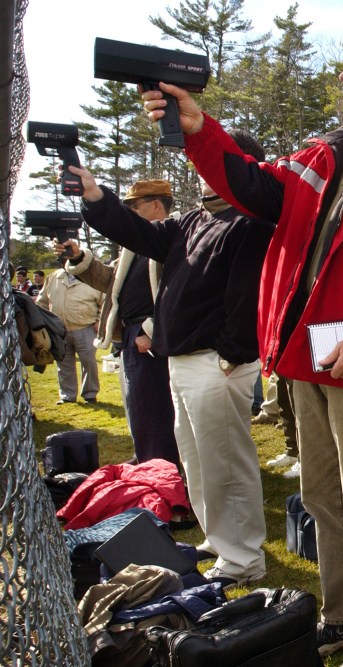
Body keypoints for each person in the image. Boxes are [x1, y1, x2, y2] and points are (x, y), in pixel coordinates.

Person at [137, 23, 343, 666]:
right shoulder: (324, 154)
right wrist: (198, 126)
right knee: (322, 498)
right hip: (308, 359)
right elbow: (250, 184)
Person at [73, 131, 272, 594]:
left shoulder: (251, 221)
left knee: (226, 464)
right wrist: (95, 196)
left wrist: (229, 355)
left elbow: (247, 299)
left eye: (213, 160)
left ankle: (244, 558)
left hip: (215, 363)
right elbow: (137, 232)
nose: (201, 168)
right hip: (182, 362)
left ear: (239, 166)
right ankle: (220, 540)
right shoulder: (195, 220)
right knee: (198, 462)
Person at [59, 179, 179, 465]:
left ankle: (161, 468)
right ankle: (148, 459)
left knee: (156, 408)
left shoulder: (176, 236)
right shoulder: (132, 246)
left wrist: (153, 330)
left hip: (153, 336)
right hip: (131, 335)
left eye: (134, 206)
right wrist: (78, 257)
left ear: (156, 205)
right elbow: (108, 283)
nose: (130, 212)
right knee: (137, 406)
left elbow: (181, 291)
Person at [36, 262, 104, 404]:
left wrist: (99, 320)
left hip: (86, 327)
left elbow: (104, 302)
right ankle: (67, 396)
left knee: (89, 362)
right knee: (64, 364)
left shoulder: (92, 278)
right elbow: (41, 302)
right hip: (59, 330)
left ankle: (90, 394)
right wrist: (45, 323)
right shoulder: (53, 277)